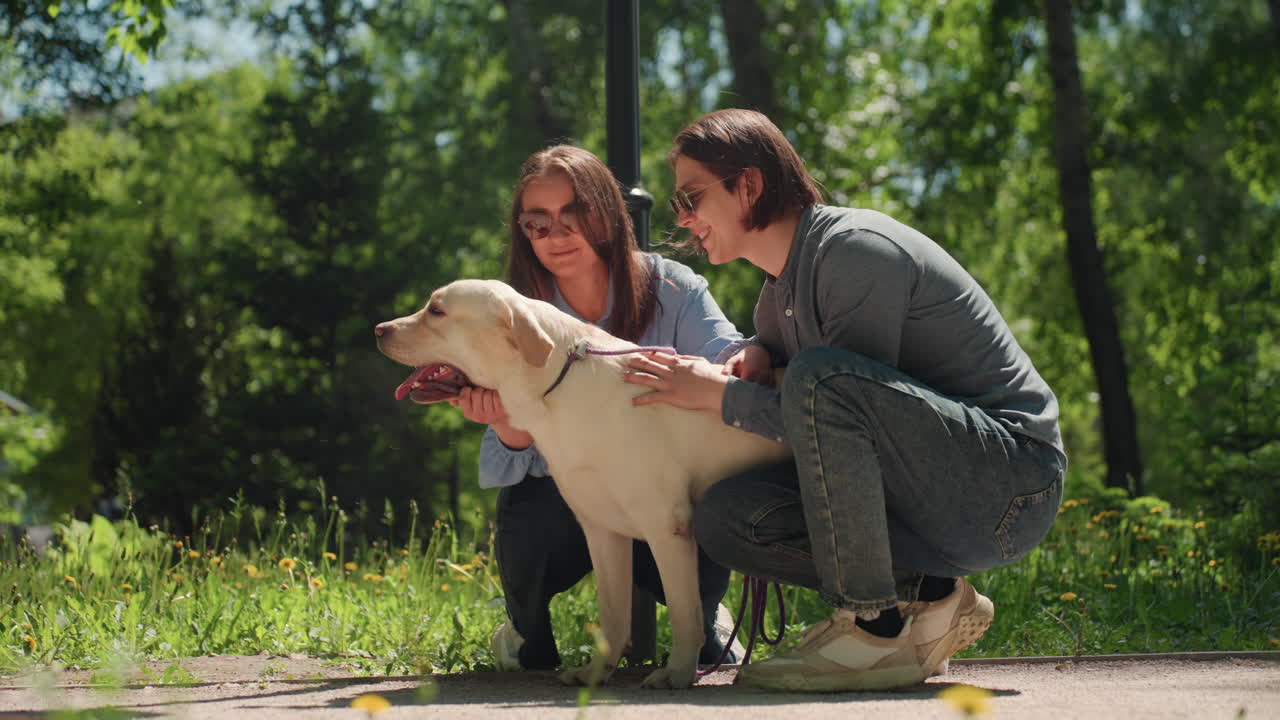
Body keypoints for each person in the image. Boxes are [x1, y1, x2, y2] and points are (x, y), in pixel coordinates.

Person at [622, 109, 1067, 692]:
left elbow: (835, 404)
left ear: (749, 185)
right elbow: (833, 415)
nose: (684, 218)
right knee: (727, 518)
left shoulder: (855, 252)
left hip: (1009, 486)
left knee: (820, 378)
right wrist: (759, 355)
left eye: (692, 197)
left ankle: (872, 628)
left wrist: (722, 396)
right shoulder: (776, 295)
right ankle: (933, 596)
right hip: (934, 501)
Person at [454, 144, 746, 672]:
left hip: (677, 498)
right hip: (575, 504)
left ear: (607, 213)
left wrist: (745, 359)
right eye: (537, 223)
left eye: (575, 213)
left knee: (705, 523)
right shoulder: (512, 315)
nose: (557, 234)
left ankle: (704, 618)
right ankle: (526, 631)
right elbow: (519, 451)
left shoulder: (673, 288)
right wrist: (504, 423)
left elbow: (732, 367)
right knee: (528, 505)